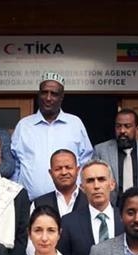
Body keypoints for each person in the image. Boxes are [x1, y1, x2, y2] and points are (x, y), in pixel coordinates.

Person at [11, 72, 93, 200]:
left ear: (61, 97)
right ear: (39, 95)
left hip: (70, 202)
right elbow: (15, 165)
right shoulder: (24, 126)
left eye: (54, 94)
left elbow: (86, 161)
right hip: (31, 202)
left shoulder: (75, 124)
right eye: (44, 92)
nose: (48, 98)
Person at [93, 108, 138, 231]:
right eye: (118, 126)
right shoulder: (101, 151)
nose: (122, 131)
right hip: (110, 217)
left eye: (127, 126)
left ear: (137, 129)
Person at [57, 160, 124, 255]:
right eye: (90, 181)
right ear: (82, 188)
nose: (96, 186)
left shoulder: (126, 219)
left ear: (112, 185)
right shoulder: (68, 223)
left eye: (101, 179)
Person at [30, 149, 87, 217]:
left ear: (77, 170)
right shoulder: (38, 204)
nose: (64, 172)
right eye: (58, 169)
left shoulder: (90, 200)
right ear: (51, 173)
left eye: (68, 167)